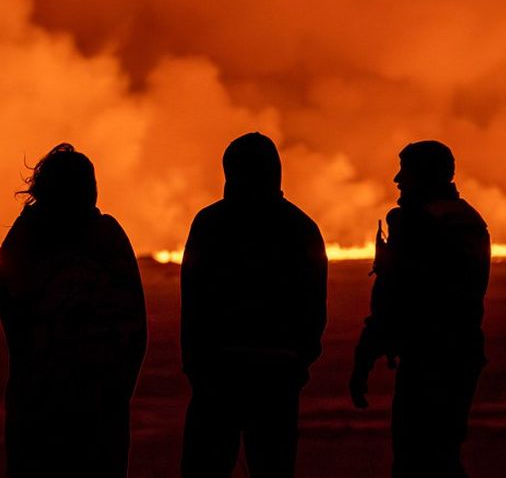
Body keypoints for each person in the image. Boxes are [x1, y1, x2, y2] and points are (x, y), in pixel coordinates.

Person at [0, 143, 147, 478]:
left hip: (38, 404)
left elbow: (10, 316)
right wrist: (118, 394)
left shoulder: (24, 242)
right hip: (97, 405)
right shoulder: (107, 238)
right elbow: (135, 327)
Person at [180, 132, 328, 478]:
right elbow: (314, 310)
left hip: (218, 376)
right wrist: (297, 363)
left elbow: (193, 303)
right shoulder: (301, 228)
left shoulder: (210, 224)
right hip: (276, 378)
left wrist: (196, 366)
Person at [349, 140, 490, 478]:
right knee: (444, 453)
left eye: (406, 172)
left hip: (428, 357)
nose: (398, 180)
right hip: (462, 353)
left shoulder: (417, 223)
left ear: (425, 175)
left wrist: (364, 358)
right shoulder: (468, 219)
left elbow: (394, 297)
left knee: (416, 457)